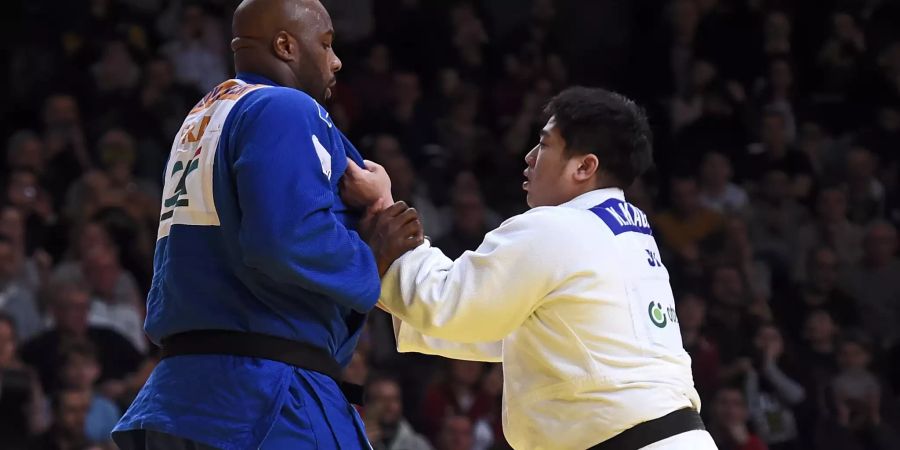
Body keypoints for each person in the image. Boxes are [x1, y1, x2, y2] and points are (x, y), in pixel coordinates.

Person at [112, 0, 420, 448]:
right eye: (327, 44)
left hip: (179, 398)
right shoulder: (285, 106)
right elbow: (284, 238)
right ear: (285, 45)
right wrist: (371, 256)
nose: (336, 60)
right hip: (267, 397)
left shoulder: (202, 116)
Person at [344, 87, 716, 449]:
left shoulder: (558, 226)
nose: (530, 157)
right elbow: (499, 326)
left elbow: (445, 303)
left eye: (546, 144)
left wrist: (384, 209)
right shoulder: (629, 233)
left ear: (585, 166)